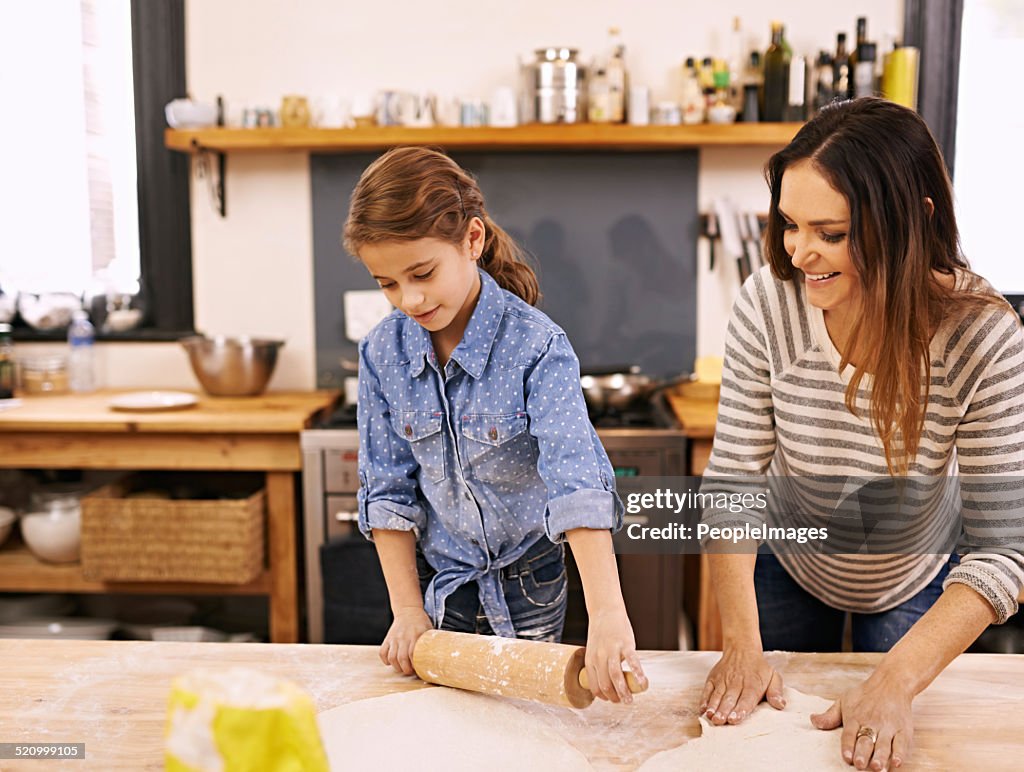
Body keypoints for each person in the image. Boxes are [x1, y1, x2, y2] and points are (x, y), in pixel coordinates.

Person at [699, 97, 1024, 770]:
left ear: (915, 221)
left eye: (832, 232)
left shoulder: (983, 336)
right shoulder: (769, 303)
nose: (800, 252)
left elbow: (1004, 550)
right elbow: (734, 482)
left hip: (913, 581)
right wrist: (740, 640)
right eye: (790, 225)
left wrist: (897, 679)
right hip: (787, 566)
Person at [344, 146, 645, 703]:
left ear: (472, 241)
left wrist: (607, 613)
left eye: (422, 273)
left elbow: (576, 484)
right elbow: (387, 492)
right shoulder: (381, 353)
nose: (408, 299)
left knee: (523, 721)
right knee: (451, 727)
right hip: (443, 583)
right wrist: (408, 611)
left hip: (530, 579)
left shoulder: (537, 346)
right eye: (387, 283)